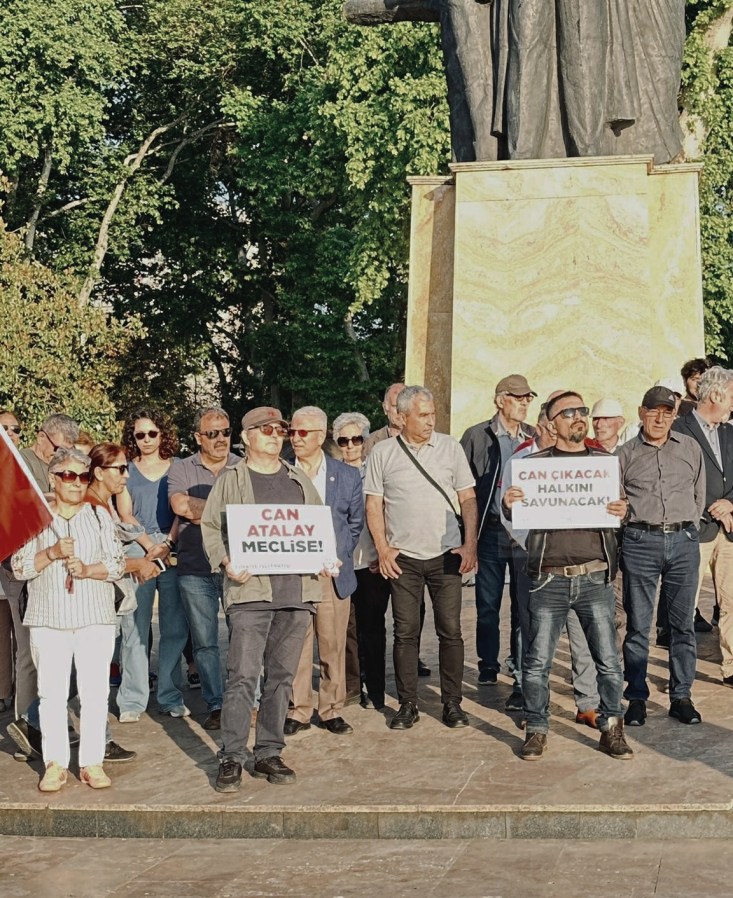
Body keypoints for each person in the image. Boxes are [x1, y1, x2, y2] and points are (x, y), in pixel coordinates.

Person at [201, 407, 328, 792]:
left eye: (280, 430)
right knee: (242, 676)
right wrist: (226, 561)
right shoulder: (231, 479)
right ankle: (232, 756)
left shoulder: (298, 479)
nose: (275, 435)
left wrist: (326, 557)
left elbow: (317, 528)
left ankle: (269, 751)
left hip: (296, 593)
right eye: (266, 429)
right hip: (250, 594)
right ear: (247, 437)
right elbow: (211, 526)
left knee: (282, 677)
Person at [502, 391, 632, 761]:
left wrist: (623, 509)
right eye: (568, 412)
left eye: (582, 411)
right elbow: (514, 516)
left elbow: (622, 508)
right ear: (551, 423)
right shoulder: (534, 466)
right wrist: (509, 506)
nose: (578, 417)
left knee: (608, 662)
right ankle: (536, 728)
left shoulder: (604, 464)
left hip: (594, 576)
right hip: (548, 578)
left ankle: (612, 728)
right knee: (537, 663)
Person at [11, 448, 125, 791]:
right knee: (51, 694)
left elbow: (117, 564)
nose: (76, 483)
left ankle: (92, 763)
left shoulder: (100, 515)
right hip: (48, 617)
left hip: (94, 616)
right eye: (68, 475)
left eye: (83, 476)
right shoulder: (35, 517)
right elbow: (19, 567)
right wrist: (52, 553)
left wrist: (88, 569)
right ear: (53, 478)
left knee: (95, 693)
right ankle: (55, 764)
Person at [365, 385, 477, 730]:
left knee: (451, 631)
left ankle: (452, 703)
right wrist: (383, 549)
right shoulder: (382, 452)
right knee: (405, 632)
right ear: (402, 417)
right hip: (404, 560)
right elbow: (373, 504)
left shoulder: (451, 447)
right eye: (423, 415)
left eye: (433, 414)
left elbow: (468, 498)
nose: (431, 421)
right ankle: (408, 704)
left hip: (446, 556)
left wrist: (470, 545)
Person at [501, 395, 602, 727]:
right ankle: (532, 702)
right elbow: (509, 511)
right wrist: (533, 546)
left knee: (582, 634)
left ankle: (588, 702)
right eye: (559, 417)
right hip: (537, 561)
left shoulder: (590, 458)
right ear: (545, 423)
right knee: (535, 635)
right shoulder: (521, 460)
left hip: (581, 563)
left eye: (576, 414)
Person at [618, 386, 706, 727]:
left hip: (683, 542)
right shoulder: (625, 454)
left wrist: (688, 528)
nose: (659, 418)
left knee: (682, 625)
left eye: (667, 412)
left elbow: (698, 494)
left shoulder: (690, 448)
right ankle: (637, 697)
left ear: (673, 415)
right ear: (641, 413)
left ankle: (681, 696)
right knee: (638, 626)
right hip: (641, 541)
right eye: (653, 411)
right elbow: (617, 502)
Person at [285, 407, 364, 736]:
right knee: (297, 646)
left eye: (302, 432)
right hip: (294, 574)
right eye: (292, 431)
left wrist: (338, 554)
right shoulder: (281, 472)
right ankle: (298, 709)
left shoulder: (346, 475)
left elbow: (355, 523)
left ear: (320, 436)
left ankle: (331, 709)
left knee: (332, 645)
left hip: (332, 575)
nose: (295, 438)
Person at [5, 413, 79, 762]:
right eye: (57, 447)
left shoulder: (51, 464)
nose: (59, 455)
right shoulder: (18, 464)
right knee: (28, 650)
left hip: (52, 567)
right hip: (20, 567)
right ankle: (25, 724)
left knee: (54, 650)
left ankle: (45, 720)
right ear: (41, 436)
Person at [460, 374, 536, 689]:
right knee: (487, 604)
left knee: (523, 604)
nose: (524, 403)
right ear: (500, 400)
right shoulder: (476, 436)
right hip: (490, 531)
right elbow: (462, 487)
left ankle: (519, 663)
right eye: (517, 398)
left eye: (527, 398)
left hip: (523, 534)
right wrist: (468, 536)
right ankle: (488, 663)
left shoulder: (533, 436)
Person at [117, 409, 192, 723]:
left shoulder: (179, 466)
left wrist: (168, 544)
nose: (146, 439)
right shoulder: (125, 468)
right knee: (135, 626)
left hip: (172, 546)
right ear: (132, 438)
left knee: (174, 627)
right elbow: (125, 513)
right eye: (139, 434)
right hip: (138, 547)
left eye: (152, 433)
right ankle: (132, 700)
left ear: (163, 434)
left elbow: (182, 510)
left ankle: (170, 696)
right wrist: (149, 547)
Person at [169, 407, 240, 728]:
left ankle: (246, 702)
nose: (221, 438)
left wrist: (203, 512)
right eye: (212, 433)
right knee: (205, 643)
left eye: (226, 432)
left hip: (237, 566)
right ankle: (216, 704)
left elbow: (250, 512)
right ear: (198, 437)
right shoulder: (181, 468)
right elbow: (181, 506)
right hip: (195, 567)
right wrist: (228, 511)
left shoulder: (243, 466)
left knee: (243, 637)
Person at [672, 367, 733, 686]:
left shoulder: (730, 433)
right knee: (684, 605)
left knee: (732, 600)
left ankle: (732, 666)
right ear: (717, 395)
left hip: (728, 530)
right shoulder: (679, 430)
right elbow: (676, 479)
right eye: (732, 396)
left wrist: (730, 503)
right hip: (694, 530)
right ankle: (680, 674)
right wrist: (711, 506)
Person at [333, 411, 390, 709]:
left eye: (356, 439)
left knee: (373, 626)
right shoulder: (331, 475)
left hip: (371, 560)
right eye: (344, 441)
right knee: (346, 628)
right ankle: (353, 686)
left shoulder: (377, 471)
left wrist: (383, 550)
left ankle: (376, 687)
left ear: (366, 440)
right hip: (342, 562)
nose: (350, 446)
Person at [0, 410, 20, 712]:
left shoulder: (23, 466)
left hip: (18, 563)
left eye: (16, 429)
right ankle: (3, 691)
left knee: (22, 636)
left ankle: (18, 695)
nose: (11, 434)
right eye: (5, 428)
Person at [362, 383, 405, 457]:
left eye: (404, 406)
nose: (400, 411)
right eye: (395, 406)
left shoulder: (422, 439)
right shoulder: (369, 442)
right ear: (385, 408)